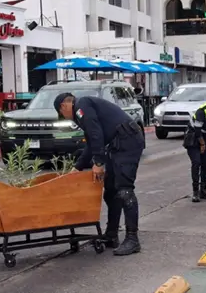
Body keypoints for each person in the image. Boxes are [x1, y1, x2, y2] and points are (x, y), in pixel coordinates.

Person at [54, 92, 145, 256]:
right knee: (110, 192)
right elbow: (92, 142)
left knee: (124, 190)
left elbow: (96, 135)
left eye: (63, 115)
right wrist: (78, 167)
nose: (67, 118)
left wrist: (98, 163)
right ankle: (111, 235)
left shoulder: (81, 107)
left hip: (127, 142)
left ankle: (133, 239)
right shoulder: (84, 107)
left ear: (63, 106)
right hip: (118, 143)